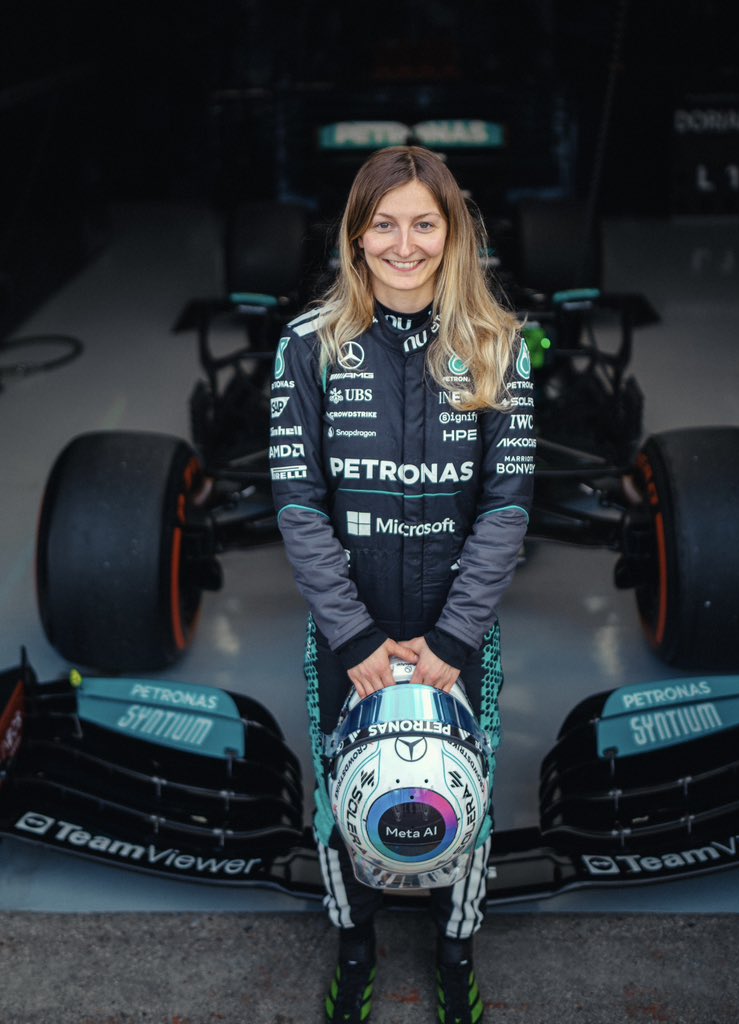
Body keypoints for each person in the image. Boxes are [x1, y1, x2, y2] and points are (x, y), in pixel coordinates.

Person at [268, 145, 535, 1023]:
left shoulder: (497, 345)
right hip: (349, 639)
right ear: (356, 235)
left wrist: (454, 639)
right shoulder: (307, 347)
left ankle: (456, 954)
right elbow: (298, 504)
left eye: (424, 223)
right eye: (384, 224)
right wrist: (352, 638)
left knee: (467, 793)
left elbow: (506, 507)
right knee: (341, 796)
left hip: (458, 636)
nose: (404, 244)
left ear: (452, 234)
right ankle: (356, 950)